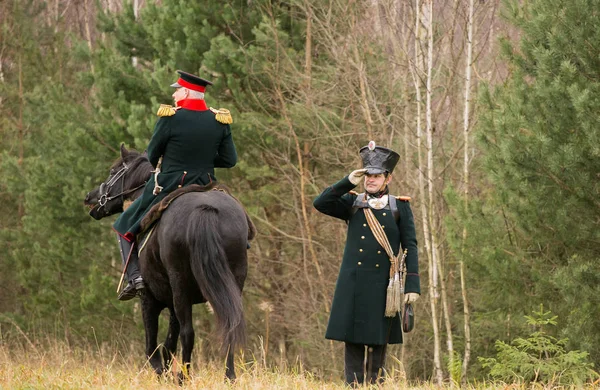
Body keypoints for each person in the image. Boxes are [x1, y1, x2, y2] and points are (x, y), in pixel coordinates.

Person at [113, 70, 238, 301]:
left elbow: (151, 155)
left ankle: (135, 278)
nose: (174, 95)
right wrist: (204, 162)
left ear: (187, 92)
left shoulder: (170, 118)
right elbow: (230, 160)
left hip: (171, 184)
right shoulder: (219, 119)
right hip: (206, 184)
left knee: (123, 225)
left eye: (177, 90)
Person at [313, 142, 420, 386]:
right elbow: (320, 203)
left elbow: (410, 246)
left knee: (377, 341)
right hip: (353, 284)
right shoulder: (352, 202)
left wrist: (413, 285)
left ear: (387, 177)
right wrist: (347, 182)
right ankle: (352, 385)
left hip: (384, 286)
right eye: (367, 175)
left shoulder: (399, 206)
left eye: (376, 176)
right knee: (351, 340)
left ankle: (375, 384)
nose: (370, 180)